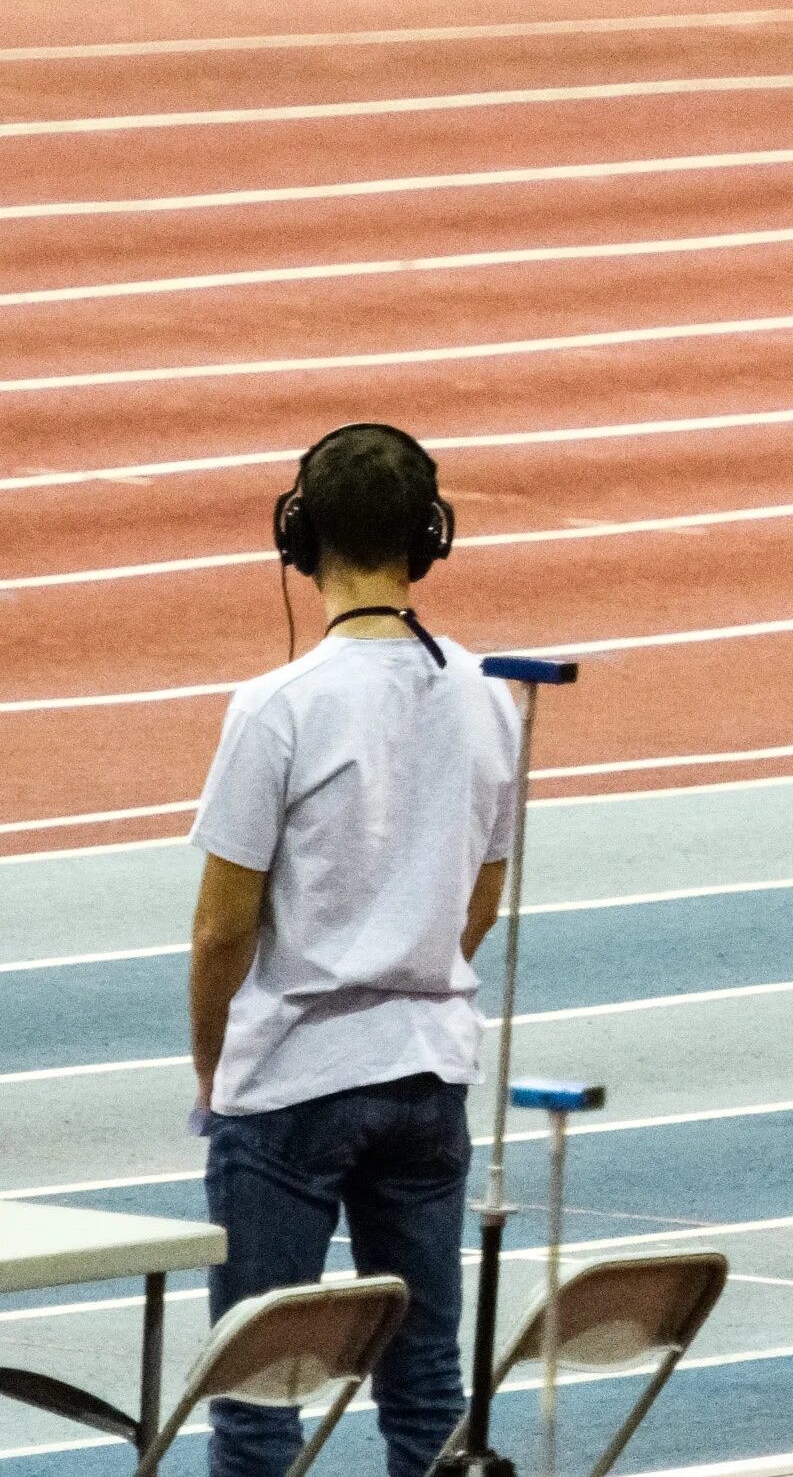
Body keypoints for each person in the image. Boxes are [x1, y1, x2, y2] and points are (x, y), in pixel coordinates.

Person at [189, 424, 520, 1477]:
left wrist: (212, 1063)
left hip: (293, 1076)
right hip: (428, 1072)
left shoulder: (276, 707)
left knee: (257, 1392)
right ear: (429, 540)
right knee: (427, 1386)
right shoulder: (487, 693)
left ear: (300, 537)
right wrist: (413, 958)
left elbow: (222, 925)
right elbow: (484, 887)